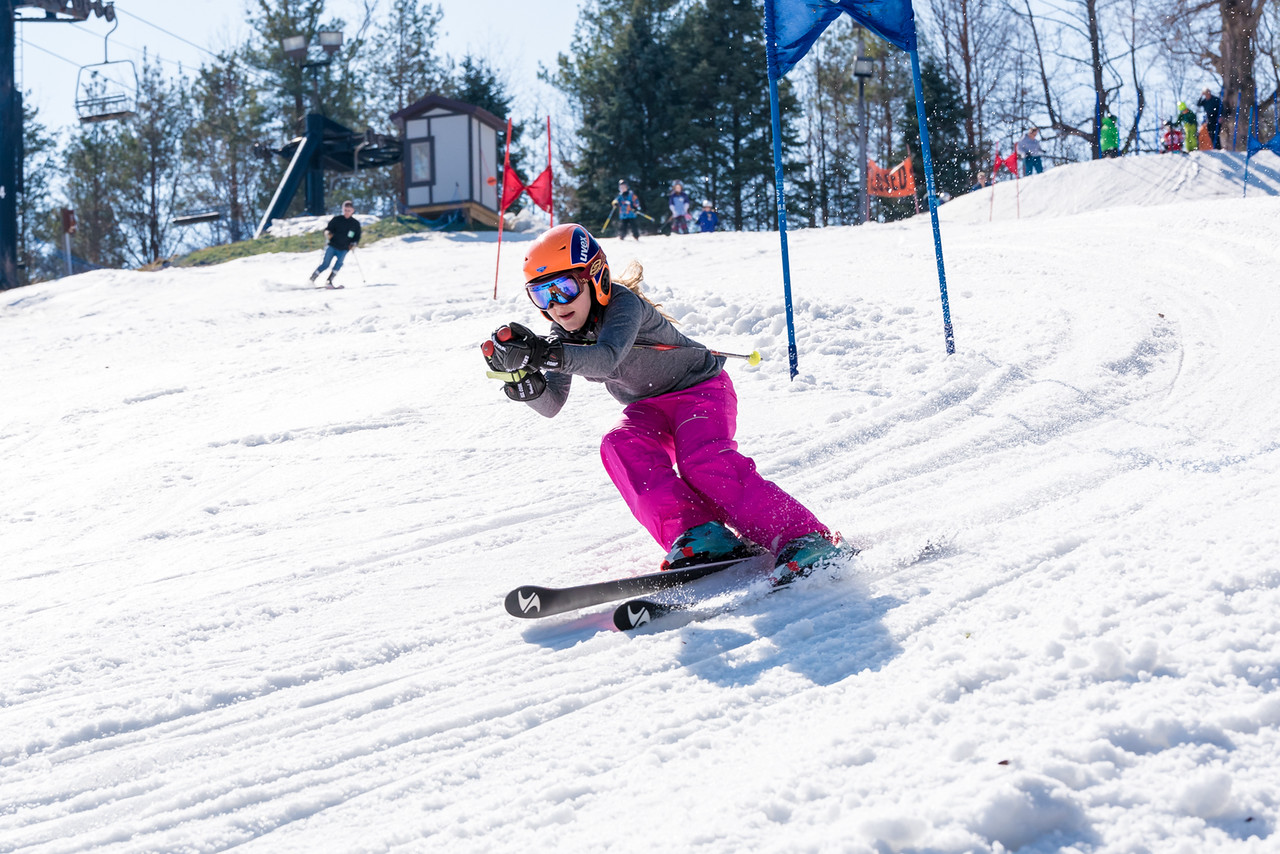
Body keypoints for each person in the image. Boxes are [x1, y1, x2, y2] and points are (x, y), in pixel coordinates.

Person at [482, 223, 849, 585]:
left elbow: (606, 358)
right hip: (648, 407)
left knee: (702, 461)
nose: (556, 305)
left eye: (564, 288)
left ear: (596, 277)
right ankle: (700, 532)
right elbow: (551, 405)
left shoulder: (624, 306)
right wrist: (525, 382)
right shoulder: (562, 335)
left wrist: (545, 354)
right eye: (542, 295)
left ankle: (805, 536)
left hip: (699, 390)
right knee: (618, 444)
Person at [310, 200, 361, 288]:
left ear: (352, 210)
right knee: (325, 264)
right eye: (345, 210)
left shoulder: (355, 224)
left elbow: (357, 236)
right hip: (332, 246)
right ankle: (312, 279)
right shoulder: (337, 219)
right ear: (342, 209)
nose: (347, 212)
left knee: (339, 264)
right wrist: (327, 233)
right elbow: (328, 229)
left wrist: (354, 243)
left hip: (344, 248)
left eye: (349, 210)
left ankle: (329, 281)